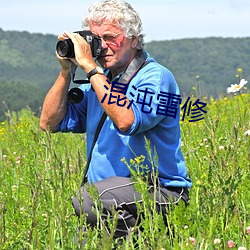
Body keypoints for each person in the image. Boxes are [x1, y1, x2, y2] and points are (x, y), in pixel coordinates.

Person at [40, 0, 192, 244]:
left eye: (110, 37)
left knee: (88, 200)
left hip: (160, 192)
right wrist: (66, 70)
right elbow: (49, 123)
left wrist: (90, 68)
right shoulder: (99, 83)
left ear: (133, 39)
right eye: (96, 39)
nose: (102, 47)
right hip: (110, 200)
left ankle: (147, 241)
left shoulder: (155, 77)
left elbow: (126, 121)